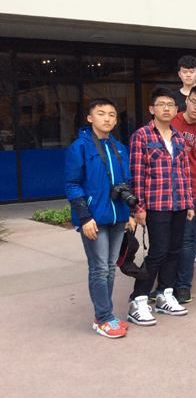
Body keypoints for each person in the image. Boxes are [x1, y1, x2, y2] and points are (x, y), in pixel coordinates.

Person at [65, 98, 141, 338]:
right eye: (101, 113)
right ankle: (104, 318)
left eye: (112, 114)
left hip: (118, 216)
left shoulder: (119, 148)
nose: (107, 118)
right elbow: (72, 184)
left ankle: (105, 315)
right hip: (93, 219)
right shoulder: (79, 147)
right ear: (90, 118)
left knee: (109, 267)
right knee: (99, 269)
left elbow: (126, 183)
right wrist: (84, 217)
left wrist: (130, 214)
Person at [127, 87, 195, 326]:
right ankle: (138, 300)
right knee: (158, 252)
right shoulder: (141, 136)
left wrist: (189, 202)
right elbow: (137, 175)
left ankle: (165, 295)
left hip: (179, 204)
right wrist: (139, 207)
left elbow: (185, 172)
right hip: (156, 204)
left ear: (176, 110)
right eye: (161, 104)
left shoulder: (178, 137)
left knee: (174, 251)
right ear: (151, 109)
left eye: (170, 105)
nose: (166, 109)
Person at [160, 84, 196, 304]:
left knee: (187, 240)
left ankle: (183, 286)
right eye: (194, 102)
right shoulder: (169, 121)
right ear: (186, 100)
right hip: (164, 191)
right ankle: (163, 285)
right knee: (164, 240)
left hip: (193, 194)